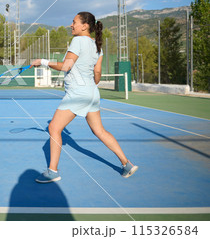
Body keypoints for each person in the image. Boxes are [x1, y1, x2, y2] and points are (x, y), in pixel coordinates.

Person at [31, 12, 138, 183]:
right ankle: (126, 164)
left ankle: (53, 171)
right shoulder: (97, 46)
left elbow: (66, 66)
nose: (71, 25)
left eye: (74, 22)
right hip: (92, 93)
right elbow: (97, 73)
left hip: (77, 94)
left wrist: (43, 61)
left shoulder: (78, 41)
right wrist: (88, 86)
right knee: (99, 131)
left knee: (53, 128)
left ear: (85, 26)